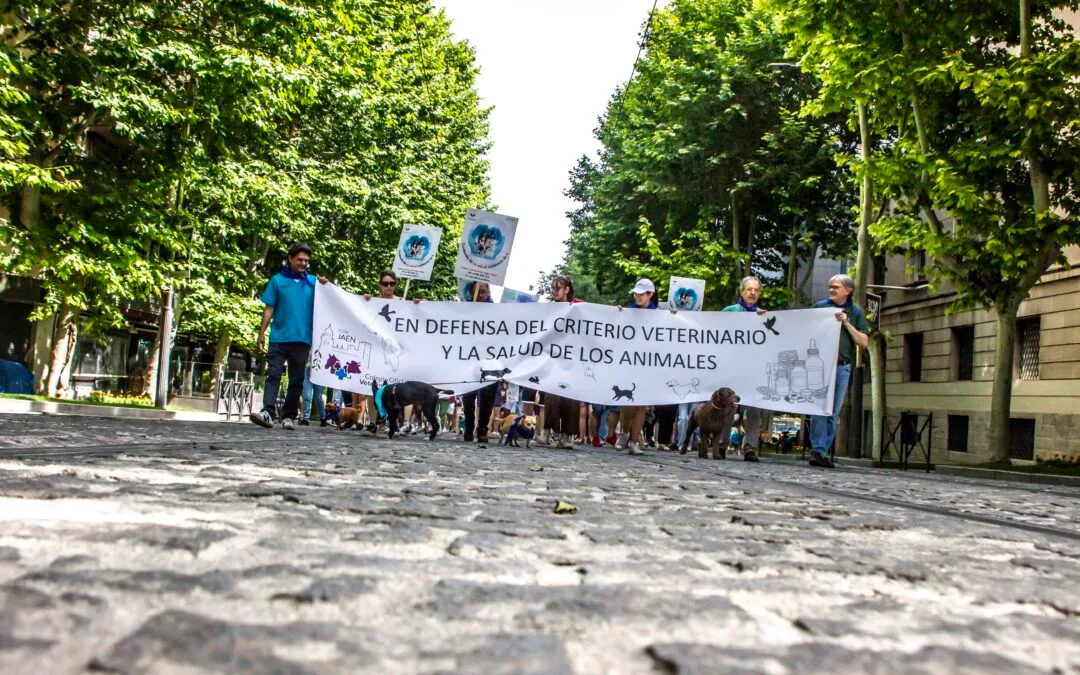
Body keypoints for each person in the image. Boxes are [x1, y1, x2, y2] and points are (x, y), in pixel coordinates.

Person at [250, 243, 327, 430]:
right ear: (290, 258)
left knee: (296, 380)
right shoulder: (277, 281)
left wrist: (327, 286)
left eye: (306, 261)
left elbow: (333, 301)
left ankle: (289, 416)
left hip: (302, 339)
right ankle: (267, 412)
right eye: (300, 259)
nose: (303, 263)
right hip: (279, 337)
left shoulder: (314, 283)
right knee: (273, 374)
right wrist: (261, 334)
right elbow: (269, 308)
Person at [808, 274, 870, 468]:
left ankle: (823, 450)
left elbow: (863, 342)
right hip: (821, 366)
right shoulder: (819, 307)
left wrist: (847, 323)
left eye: (835, 287)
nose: (831, 289)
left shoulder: (856, 312)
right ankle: (818, 450)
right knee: (819, 409)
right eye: (830, 286)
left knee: (833, 412)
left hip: (842, 366)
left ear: (848, 290)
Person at [722, 276, 768, 462]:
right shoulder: (728, 312)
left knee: (754, 409)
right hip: (731, 367)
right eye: (749, 289)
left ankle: (750, 447)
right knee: (728, 407)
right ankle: (722, 444)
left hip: (754, 369)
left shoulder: (764, 315)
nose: (752, 293)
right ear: (741, 292)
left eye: (756, 290)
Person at [537, 275, 584, 449]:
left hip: (573, 359)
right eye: (552, 288)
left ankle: (567, 435)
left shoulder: (579, 306)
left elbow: (597, 317)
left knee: (571, 397)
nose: (554, 291)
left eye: (558, 287)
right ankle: (547, 431)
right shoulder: (550, 309)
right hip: (554, 358)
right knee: (551, 395)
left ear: (567, 289)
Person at [614, 278, 659, 455]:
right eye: (636, 293)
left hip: (648, 364)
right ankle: (624, 433)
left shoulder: (659, 314)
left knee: (641, 405)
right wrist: (616, 314)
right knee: (626, 400)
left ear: (650, 295)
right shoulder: (628, 312)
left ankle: (634, 441)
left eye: (641, 294)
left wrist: (674, 316)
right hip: (629, 362)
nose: (637, 296)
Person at [461, 281, 498, 447]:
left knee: (487, 398)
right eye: (478, 290)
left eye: (485, 289)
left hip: (490, 360)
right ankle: (469, 426)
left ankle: (482, 429)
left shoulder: (499, 311)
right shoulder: (464, 310)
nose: (482, 292)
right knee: (468, 396)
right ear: (472, 292)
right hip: (468, 359)